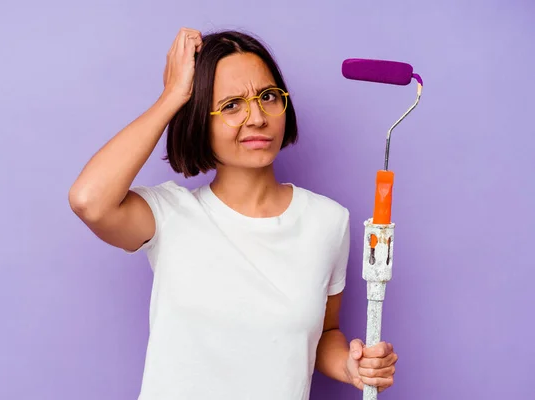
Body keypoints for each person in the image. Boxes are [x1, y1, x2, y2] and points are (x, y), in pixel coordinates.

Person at [69, 27, 398, 400]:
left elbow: (323, 334)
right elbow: (88, 200)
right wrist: (172, 96)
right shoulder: (168, 216)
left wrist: (351, 366)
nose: (257, 117)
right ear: (199, 119)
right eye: (231, 105)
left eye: (268, 97)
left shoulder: (328, 221)